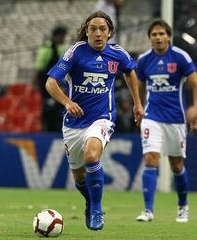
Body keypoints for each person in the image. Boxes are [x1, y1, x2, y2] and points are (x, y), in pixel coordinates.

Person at [45, 11, 144, 231]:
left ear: (110, 32)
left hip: (102, 117)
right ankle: (90, 201)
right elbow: (51, 83)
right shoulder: (76, 52)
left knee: (92, 155)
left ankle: (97, 208)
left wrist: (137, 102)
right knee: (79, 177)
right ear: (86, 31)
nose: (98, 33)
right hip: (73, 122)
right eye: (93, 29)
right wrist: (67, 102)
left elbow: (130, 72)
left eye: (102, 29)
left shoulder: (117, 53)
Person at [136, 19, 197, 223]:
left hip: (175, 119)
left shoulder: (180, 57)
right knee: (151, 158)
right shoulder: (144, 60)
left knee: (176, 164)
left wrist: (195, 108)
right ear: (150, 38)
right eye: (154, 35)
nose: (158, 37)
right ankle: (148, 210)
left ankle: (182, 206)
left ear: (168, 36)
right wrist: (139, 105)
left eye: (162, 34)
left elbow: (195, 83)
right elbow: (139, 85)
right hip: (152, 117)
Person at [34, 25, 68, 131]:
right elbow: (40, 67)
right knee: (50, 108)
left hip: (52, 83)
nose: (64, 39)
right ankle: (49, 131)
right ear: (58, 36)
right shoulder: (48, 48)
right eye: (63, 36)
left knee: (54, 107)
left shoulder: (55, 47)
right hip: (46, 83)